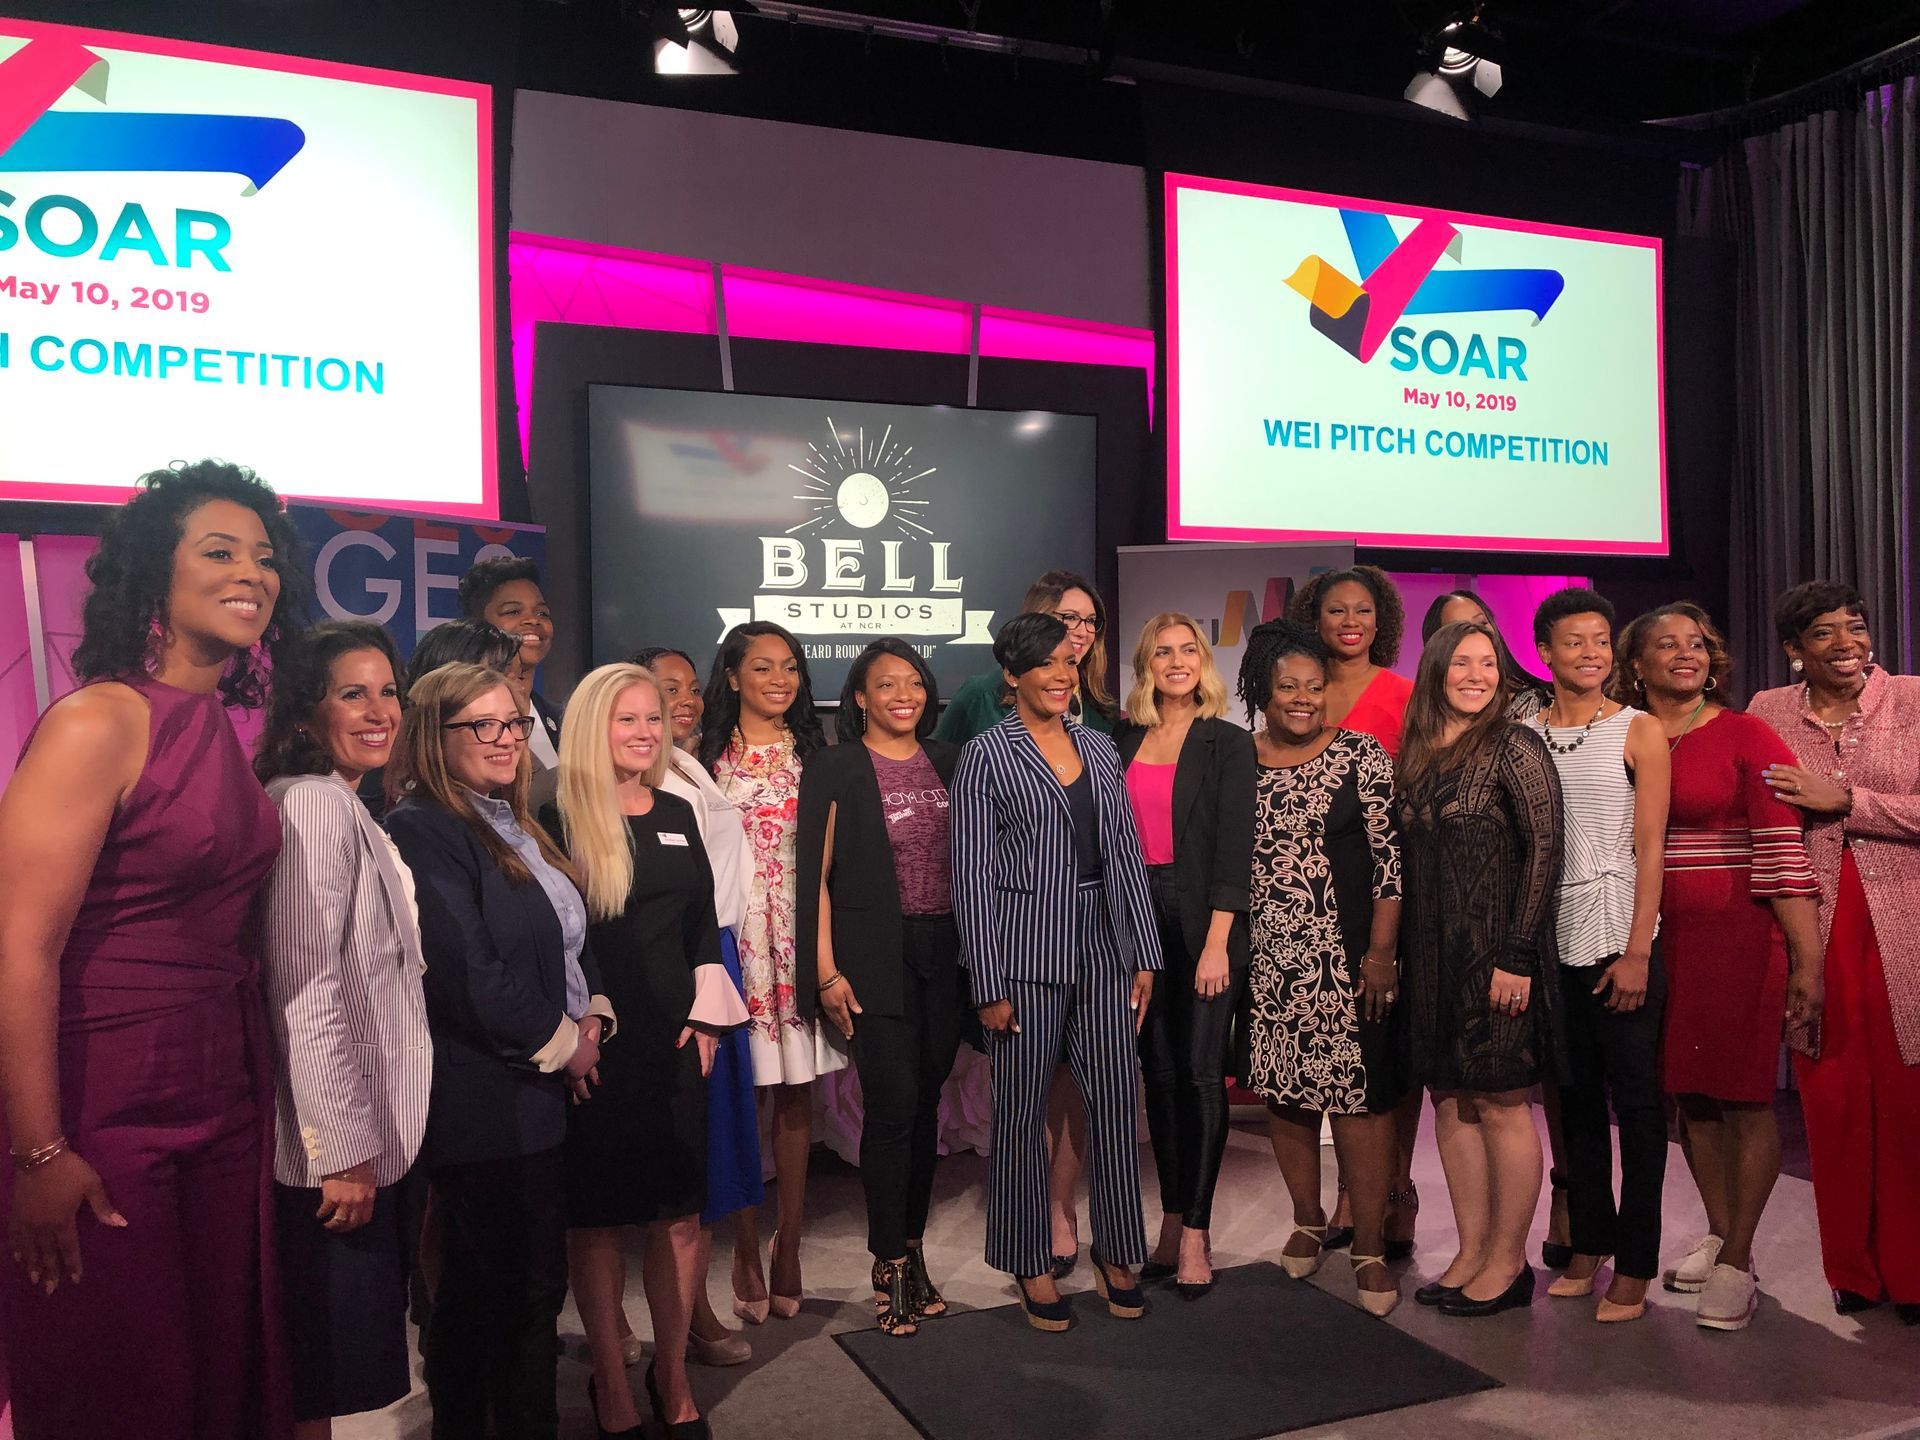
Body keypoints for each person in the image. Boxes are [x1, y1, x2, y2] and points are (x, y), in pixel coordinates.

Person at [0, 461, 305, 1440]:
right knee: (123, 1383)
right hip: (105, 1097)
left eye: (263, 556)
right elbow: (18, 948)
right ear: (153, 576)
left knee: (218, 1375)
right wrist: (38, 1149)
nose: (249, 572)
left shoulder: (219, 727)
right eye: (218, 551)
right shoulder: (100, 719)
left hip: (221, 1091)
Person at [385, 663, 616, 1440]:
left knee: (526, 1292)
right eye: (480, 725)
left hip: (537, 1089)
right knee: (500, 1294)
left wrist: (594, 1018)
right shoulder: (423, 827)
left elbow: (565, 940)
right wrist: (564, 1046)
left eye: (513, 722)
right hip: (482, 1098)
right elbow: (465, 972)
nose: (504, 739)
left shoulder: (514, 820)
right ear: (433, 736)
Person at [546, 663, 747, 1438]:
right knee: (596, 1221)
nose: (643, 732)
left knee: (679, 1216)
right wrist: (574, 1035)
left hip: (674, 1043)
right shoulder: (553, 811)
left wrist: (705, 1021)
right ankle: (611, 1379)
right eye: (625, 719)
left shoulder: (674, 809)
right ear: (592, 727)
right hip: (593, 1047)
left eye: (653, 719)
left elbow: (702, 924)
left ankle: (669, 1371)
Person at [1610, 603, 1822, 1332]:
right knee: (1689, 1097)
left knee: (1742, 1098)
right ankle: (1724, 1233)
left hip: (1739, 939)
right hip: (1658, 942)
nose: (1685, 653)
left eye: (1696, 643)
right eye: (1665, 644)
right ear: (1634, 664)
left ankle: (1738, 1258)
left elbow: (1784, 851)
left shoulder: (1743, 733)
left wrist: (1806, 959)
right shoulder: (1625, 737)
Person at [951, 613, 1163, 1333]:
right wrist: (987, 984)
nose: (1059, 673)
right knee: (1017, 1118)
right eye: (1042, 663)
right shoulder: (986, 753)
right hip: (1023, 958)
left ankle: (1119, 1252)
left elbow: (1126, 855)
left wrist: (1144, 953)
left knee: (1113, 1108)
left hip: (1105, 950)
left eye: (1067, 660)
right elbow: (971, 878)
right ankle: (1029, 1261)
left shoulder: (1100, 747)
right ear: (1012, 675)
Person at [255, 620, 432, 1437]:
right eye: (351, 693)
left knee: (327, 1386)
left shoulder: (344, 803)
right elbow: (303, 982)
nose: (378, 710)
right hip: (337, 1156)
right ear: (304, 711)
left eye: (387, 691)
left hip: (362, 1141)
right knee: (318, 1383)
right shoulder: (317, 805)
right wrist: (341, 1149)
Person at [1748, 581, 1920, 1324]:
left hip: (1903, 924)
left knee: (1910, 1101)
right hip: (1808, 923)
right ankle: (1850, 1268)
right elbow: (1754, 814)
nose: (1847, 643)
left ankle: (1914, 1274)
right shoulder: (1767, 711)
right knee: (1833, 1096)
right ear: (1795, 651)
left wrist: (1846, 799)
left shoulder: (1913, 700)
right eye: (1824, 633)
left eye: (1855, 629)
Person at [935, 568, 1114, 1278]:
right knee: (1023, 1083)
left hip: (1093, 934)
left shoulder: (1097, 709)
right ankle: (1028, 1214)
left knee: (1076, 1081)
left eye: (1091, 622)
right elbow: (951, 779)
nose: (1080, 633)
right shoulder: (985, 698)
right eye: (1068, 618)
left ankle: (1062, 1207)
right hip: (1019, 932)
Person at [1234, 620, 1404, 1318]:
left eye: (1314, 686)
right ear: (1261, 691)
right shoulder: (1236, 760)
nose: (1304, 699)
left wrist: (1383, 956)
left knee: (1360, 1104)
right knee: (1284, 1096)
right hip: (1268, 961)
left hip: (1349, 965)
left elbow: (1391, 867)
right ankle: (1306, 1219)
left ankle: (1367, 1245)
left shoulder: (1362, 755)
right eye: (1288, 687)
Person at [1397, 621, 1564, 1319]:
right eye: (1461, 662)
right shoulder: (1419, 754)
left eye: (1488, 662)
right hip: (1434, 961)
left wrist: (1518, 956)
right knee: (1451, 1104)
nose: (1475, 674)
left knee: (1501, 1106)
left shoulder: (1515, 745)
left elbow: (1546, 851)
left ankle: (1508, 1261)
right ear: (1435, 670)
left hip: (1499, 958)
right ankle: (1470, 1252)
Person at [798, 640, 963, 1336]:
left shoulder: (951, 761)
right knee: (892, 1108)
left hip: (946, 954)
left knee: (926, 1109)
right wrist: (827, 971)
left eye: (914, 682)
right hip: (872, 960)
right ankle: (888, 1260)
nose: (904, 693)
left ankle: (915, 1249)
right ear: (859, 697)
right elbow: (818, 878)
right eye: (885, 684)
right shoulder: (836, 766)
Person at [1523, 589, 1670, 1324]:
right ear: (1543, 651)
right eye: (1574, 641)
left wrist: (1640, 949)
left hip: (1620, 928)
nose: (1590, 653)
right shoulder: (1524, 727)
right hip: (1550, 932)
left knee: (1637, 1104)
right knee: (1572, 1098)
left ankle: (1637, 1262)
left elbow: (1651, 849)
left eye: (1601, 640)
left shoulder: (1638, 730)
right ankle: (1588, 1244)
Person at [1114, 614, 1254, 1298]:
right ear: (1146, 666)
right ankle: (1170, 1219)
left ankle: (1197, 1229)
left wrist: (1218, 944)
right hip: (1139, 921)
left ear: (1203, 660)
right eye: (1163, 651)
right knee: (1160, 1075)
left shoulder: (1227, 743)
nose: (1177, 661)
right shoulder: (1121, 741)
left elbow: (1234, 852)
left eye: (1188, 649)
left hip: (1207, 926)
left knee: (1202, 1076)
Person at [699, 623, 836, 1320]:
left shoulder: (818, 752)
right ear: (731, 677)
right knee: (740, 1098)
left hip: (798, 938)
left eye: (789, 668)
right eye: (762, 668)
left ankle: (789, 1246)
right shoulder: (703, 757)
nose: (779, 680)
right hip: (733, 940)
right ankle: (745, 1245)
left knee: (792, 1096)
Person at [634, 645, 760, 1367]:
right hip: (683, 954)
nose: (680, 702)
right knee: (681, 1149)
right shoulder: (639, 778)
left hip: (720, 953)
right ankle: (676, 1323)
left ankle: (694, 1312)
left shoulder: (692, 766)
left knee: (713, 1148)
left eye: (686, 689)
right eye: (661, 690)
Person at [1291, 566, 1419, 1257]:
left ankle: (1397, 1190)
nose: (1350, 621)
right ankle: (1351, 1192)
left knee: (1385, 1048)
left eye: (1363, 610)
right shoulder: (1300, 688)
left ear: (1381, 620)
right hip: (1312, 901)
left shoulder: (1404, 693)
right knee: (1337, 1055)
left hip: (1389, 892)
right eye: (1336, 610)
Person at [356, 618, 521, 820]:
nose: (509, 690)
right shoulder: (404, 812)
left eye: (517, 677)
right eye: (491, 677)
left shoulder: (504, 790)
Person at [458, 557, 563, 770]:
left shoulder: (563, 720)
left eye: (542, 613)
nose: (533, 620)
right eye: (513, 611)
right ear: (478, 625)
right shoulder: (459, 717)